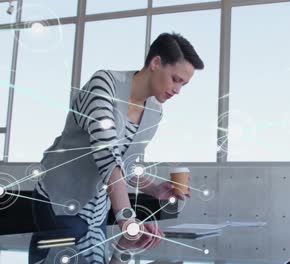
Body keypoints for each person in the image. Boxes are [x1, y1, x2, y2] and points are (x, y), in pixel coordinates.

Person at [30, 32, 204, 261]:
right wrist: (126, 219)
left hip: (96, 209)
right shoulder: (105, 84)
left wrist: (154, 189)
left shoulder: (154, 111)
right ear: (156, 63)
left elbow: (126, 165)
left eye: (184, 84)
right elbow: (107, 155)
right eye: (175, 79)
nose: (178, 90)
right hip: (59, 198)